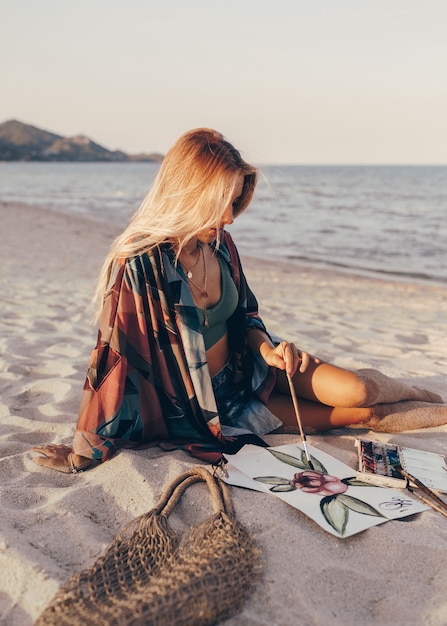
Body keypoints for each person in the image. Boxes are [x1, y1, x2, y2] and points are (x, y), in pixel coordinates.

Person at [32, 128, 447, 473]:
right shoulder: (140, 263)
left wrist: (266, 347)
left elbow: (247, 315)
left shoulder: (221, 245)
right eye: (220, 203)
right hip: (210, 407)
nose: (229, 216)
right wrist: (82, 452)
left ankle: (423, 392)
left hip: (252, 369)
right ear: (187, 192)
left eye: (233, 201)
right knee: (364, 417)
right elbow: (113, 358)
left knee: (359, 389)